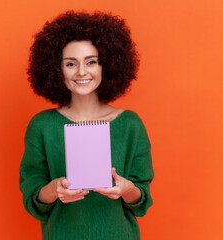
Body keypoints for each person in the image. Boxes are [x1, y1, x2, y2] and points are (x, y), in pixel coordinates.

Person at [19, 11, 154, 240]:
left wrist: (126, 189)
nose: (82, 72)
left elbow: (141, 201)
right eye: (71, 63)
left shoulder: (131, 125)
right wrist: (55, 189)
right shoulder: (42, 126)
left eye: (91, 62)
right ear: (56, 69)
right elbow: (33, 199)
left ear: (106, 65)